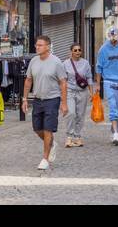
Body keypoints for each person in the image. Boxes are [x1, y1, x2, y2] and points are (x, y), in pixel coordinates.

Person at [22, 35, 68, 170]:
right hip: (37, 99)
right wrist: (24, 99)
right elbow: (28, 80)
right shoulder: (33, 61)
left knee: (48, 129)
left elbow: (63, 83)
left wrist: (64, 103)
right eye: (36, 45)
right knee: (37, 129)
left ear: (48, 47)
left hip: (52, 100)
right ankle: (52, 144)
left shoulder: (56, 62)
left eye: (40, 45)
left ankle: (45, 158)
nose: (37, 47)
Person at [64, 43, 94, 147]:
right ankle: (69, 136)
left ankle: (77, 136)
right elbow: (63, 80)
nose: (77, 52)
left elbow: (89, 77)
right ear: (71, 51)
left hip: (82, 91)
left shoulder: (85, 63)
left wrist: (91, 92)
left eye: (79, 50)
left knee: (80, 115)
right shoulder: (65, 64)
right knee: (71, 113)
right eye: (75, 50)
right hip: (70, 91)